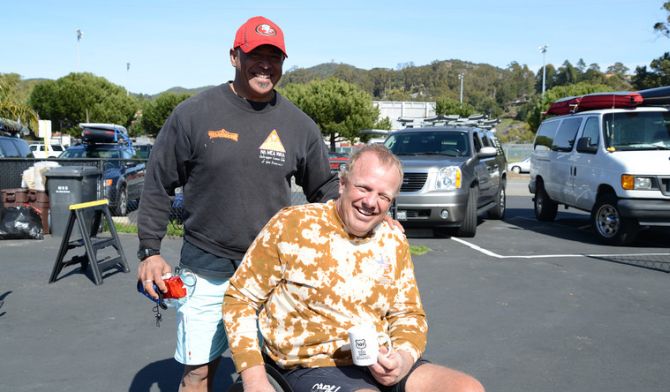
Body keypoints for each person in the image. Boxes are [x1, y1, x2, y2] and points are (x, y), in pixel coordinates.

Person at [136, 15, 340, 391]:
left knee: (264, 373)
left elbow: (325, 189)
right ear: (234, 56)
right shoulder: (193, 114)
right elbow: (157, 182)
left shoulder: (299, 126)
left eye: (275, 57)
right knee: (198, 373)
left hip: (270, 276)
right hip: (206, 268)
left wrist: (368, 225)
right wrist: (150, 250)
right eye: (256, 54)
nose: (266, 65)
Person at [223, 144, 485, 392]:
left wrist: (402, 359)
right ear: (343, 183)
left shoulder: (392, 240)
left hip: (381, 361)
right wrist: (254, 377)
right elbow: (240, 300)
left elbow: (408, 314)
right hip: (312, 366)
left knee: (466, 388)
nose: (371, 202)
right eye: (364, 188)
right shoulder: (292, 226)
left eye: (383, 195)